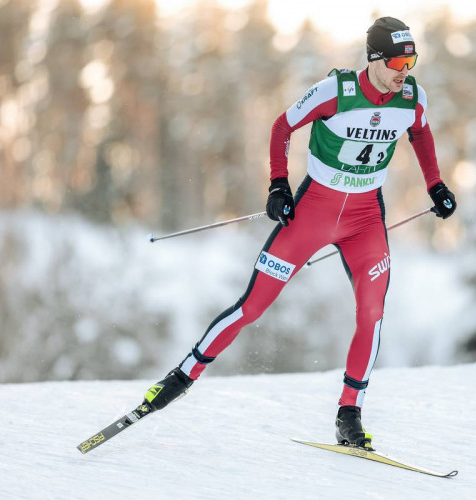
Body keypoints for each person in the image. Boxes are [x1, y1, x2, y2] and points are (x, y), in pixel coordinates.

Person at [141, 16, 456, 450]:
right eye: (399, 62)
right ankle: (181, 376)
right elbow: (281, 126)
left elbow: (421, 133)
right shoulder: (336, 92)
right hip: (312, 212)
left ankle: (350, 413)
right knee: (251, 307)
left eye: (412, 61)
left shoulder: (412, 98)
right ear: (375, 59)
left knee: (372, 314)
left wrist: (435, 184)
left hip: (365, 219)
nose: (406, 71)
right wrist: (277, 184)